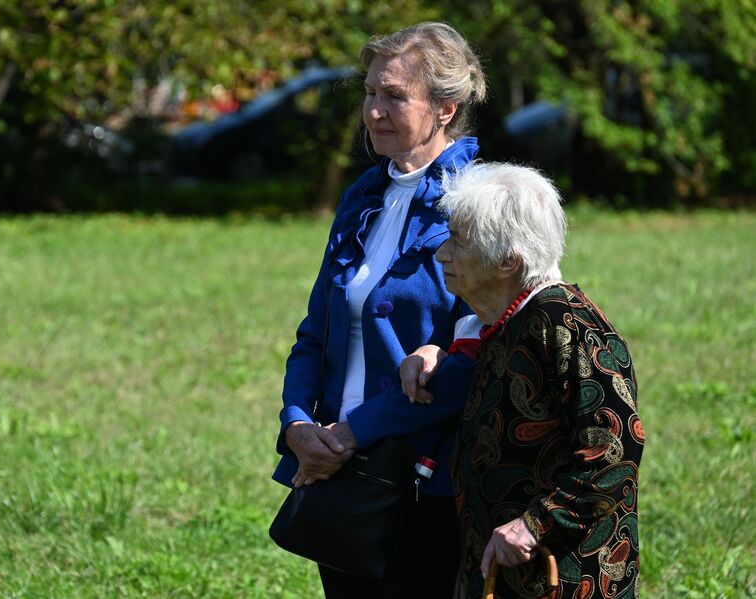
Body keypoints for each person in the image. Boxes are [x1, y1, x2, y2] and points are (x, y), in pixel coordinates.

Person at [272, 22, 487, 598]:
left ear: (446, 107)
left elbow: (469, 361)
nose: (373, 111)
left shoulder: (481, 203)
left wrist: (351, 432)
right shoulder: (363, 194)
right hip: (333, 472)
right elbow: (316, 330)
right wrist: (296, 423)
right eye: (370, 92)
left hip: (423, 478)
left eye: (395, 96)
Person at [401, 163, 644, 598]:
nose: (441, 254)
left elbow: (615, 450)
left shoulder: (564, 322)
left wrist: (535, 524)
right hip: (505, 570)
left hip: (564, 574)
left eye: (458, 241)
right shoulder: (506, 320)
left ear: (508, 262)